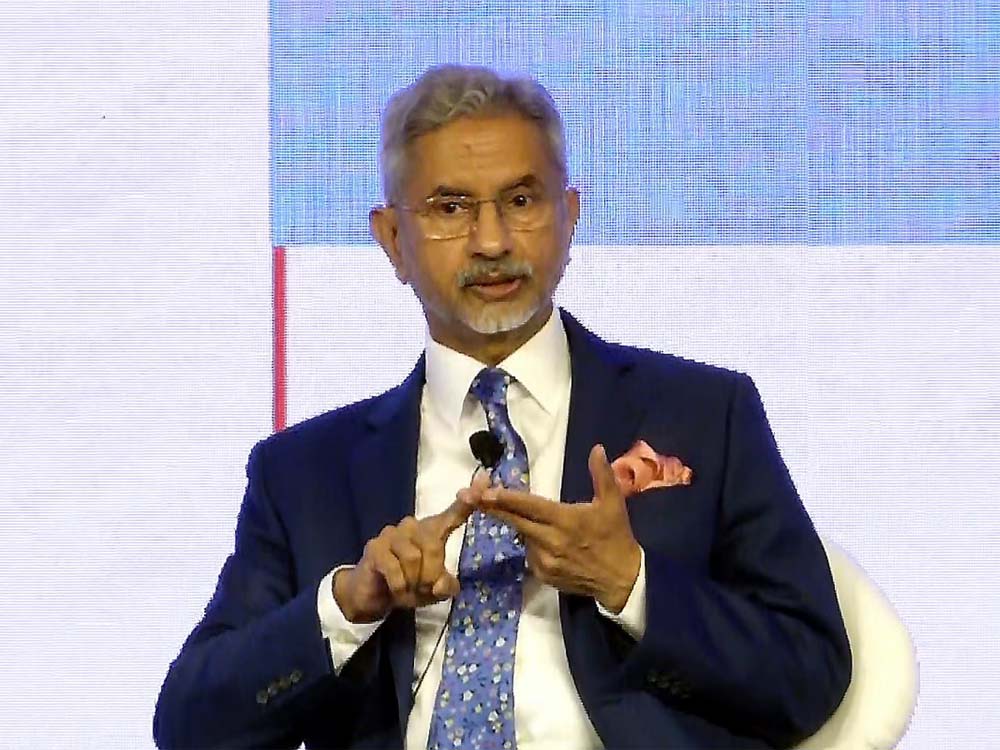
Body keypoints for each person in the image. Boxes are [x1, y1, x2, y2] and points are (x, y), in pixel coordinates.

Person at [154, 64, 851, 749]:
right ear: (393, 240)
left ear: (568, 218)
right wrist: (347, 606)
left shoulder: (705, 414)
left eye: (521, 200)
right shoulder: (303, 472)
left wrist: (631, 583)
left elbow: (812, 672)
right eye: (450, 208)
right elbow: (191, 727)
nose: (491, 242)